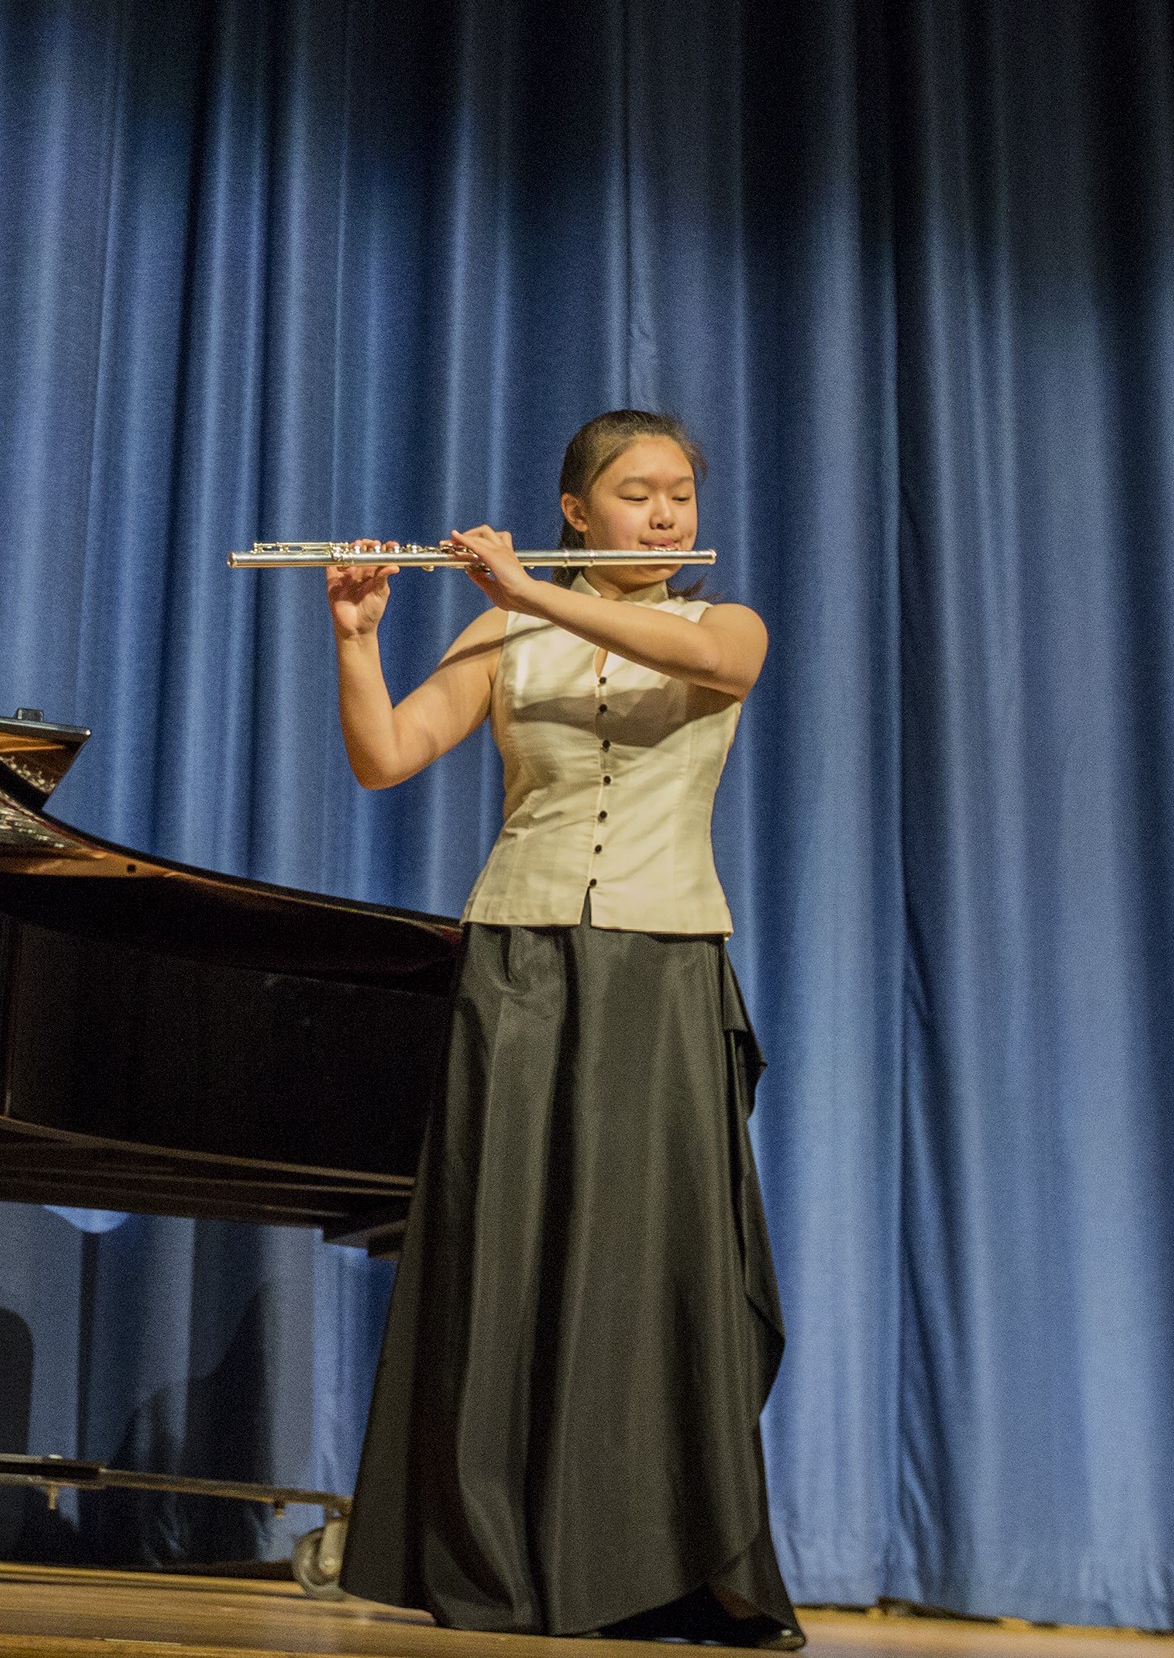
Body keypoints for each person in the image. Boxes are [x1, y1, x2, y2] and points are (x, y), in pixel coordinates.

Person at [330, 411, 802, 1647]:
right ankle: (496, 1561)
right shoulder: (502, 628)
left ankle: (664, 1563)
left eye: (683, 494)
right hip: (519, 956)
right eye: (638, 493)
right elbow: (386, 757)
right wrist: (359, 641)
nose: (668, 515)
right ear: (577, 508)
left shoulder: (721, 626)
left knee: (651, 1267)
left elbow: (725, 674)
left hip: (662, 961)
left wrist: (537, 590)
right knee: (504, 1256)